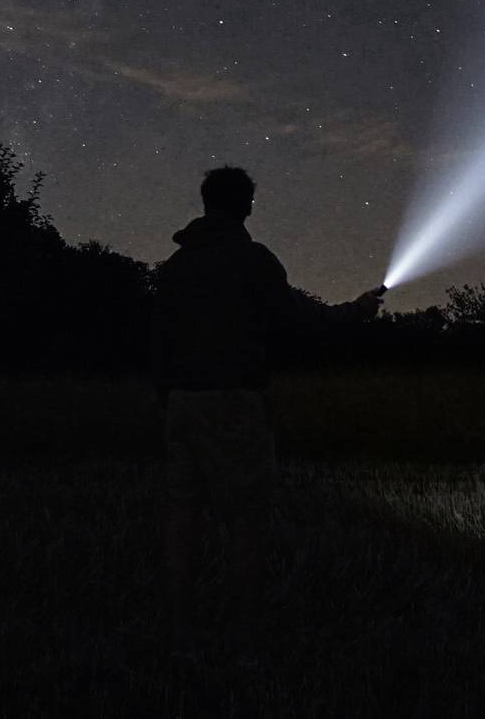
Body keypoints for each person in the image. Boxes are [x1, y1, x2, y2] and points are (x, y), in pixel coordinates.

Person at [152, 164, 382, 670]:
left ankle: (180, 643)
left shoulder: (174, 267)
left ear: (206, 201)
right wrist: (355, 313)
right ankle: (244, 648)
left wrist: (167, 396)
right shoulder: (252, 260)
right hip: (235, 403)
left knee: (181, 524)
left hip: (181, 404)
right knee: (245, 525)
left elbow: (159, 342)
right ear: (246, 207)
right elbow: (300, 320)